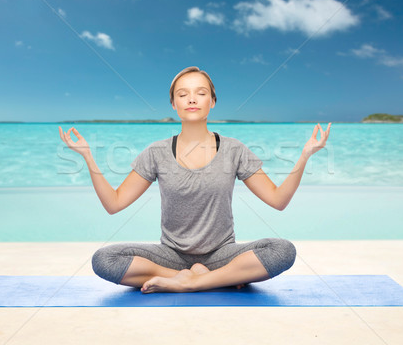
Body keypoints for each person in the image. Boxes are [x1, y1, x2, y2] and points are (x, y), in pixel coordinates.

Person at [59, 66, 331, 294]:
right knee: (104, 260)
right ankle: (206, 278)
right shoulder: (156, 153)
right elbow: (114, 203)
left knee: (282, 250)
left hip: (223, 255)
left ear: (212, 101)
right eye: (183, 94)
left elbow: (278, 200)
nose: (192, 99)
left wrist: (305, 155)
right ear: (173, 104)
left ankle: (191, 283)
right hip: (171, 257)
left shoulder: (234, 149)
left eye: (201, 93)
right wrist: (87, 157)